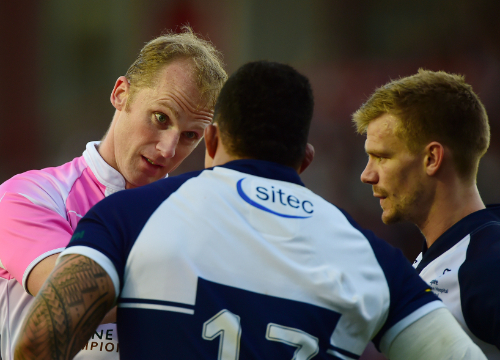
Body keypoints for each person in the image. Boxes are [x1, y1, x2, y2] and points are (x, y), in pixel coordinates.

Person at [15, 61, 485, 360]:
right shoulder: (374, 257)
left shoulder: (128, 216)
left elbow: (39, 343)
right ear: (305, 160)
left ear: (213, 139)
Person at [0, 27, 227, 360]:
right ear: (121, 94)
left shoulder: (194, 222)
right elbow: (69, 301)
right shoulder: (30, 195)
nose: (168, 149)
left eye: (190, 135)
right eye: (160, 118)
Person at [354, 69, 499, 359]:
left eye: (382, 156)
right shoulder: (445, 256)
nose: (366, 175)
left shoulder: (489, 265)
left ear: (432, 158)